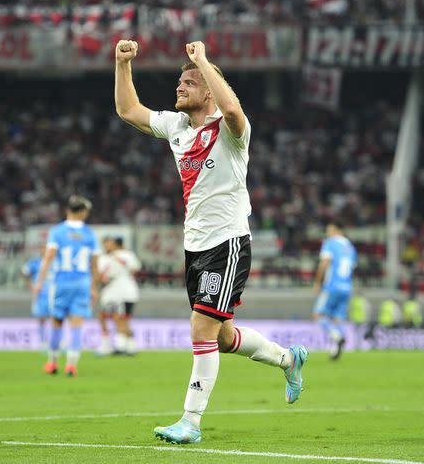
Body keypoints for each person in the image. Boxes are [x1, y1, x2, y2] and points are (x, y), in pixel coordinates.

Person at [114, 39, 308, 444]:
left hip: (228, 242)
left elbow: (233, 109)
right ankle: (289, 359)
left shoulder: (231, 131)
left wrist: (202, 61)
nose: (179, 88)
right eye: (179, 83)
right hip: (195, 247)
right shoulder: (177, 128)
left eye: (189, 83)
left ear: (207, 89)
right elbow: (128, 110)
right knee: (220, 337)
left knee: (201, 329)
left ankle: (191, 422)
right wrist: (122, 64)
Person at [33, 195, 99, 377]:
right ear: (84, 212)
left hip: (61, 282)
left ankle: (52, 363)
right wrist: (94, 287)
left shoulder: (57, 232)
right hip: (82, 283)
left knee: (56, 321)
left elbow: (48, 258)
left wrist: (39, 282)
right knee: (77, 323)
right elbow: (94, 264)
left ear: (67, 210)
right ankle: (71, 365)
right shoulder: (89, 234)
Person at [312, 222, 357, 360]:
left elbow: (325, 263)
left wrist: (317, 282)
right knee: (338, 319)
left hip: (332, 286)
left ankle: (337, 337)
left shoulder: (330, 243)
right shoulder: (351, 247)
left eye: (329, 230)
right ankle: (337, 347)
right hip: (347, 288)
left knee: (318, 315)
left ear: (337, 230)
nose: (327, 233)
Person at [96, 236, 141, 356]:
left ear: (114, 245)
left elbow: (102, 276)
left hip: (117, 293)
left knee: (119, 319)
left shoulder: (109, 258)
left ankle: (122, 346)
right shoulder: (128, 255)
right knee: (123, 319)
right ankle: (127, 346)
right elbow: (135, 268)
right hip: (129, 292)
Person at [22, 255, 56, 350]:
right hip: (41, 295)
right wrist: (31, 286)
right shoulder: (36, 262)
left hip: (55, 294)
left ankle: (57, 341)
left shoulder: (56, 261)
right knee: (41, 319)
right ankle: (43, 342)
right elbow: (24, 272)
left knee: (57, 318)